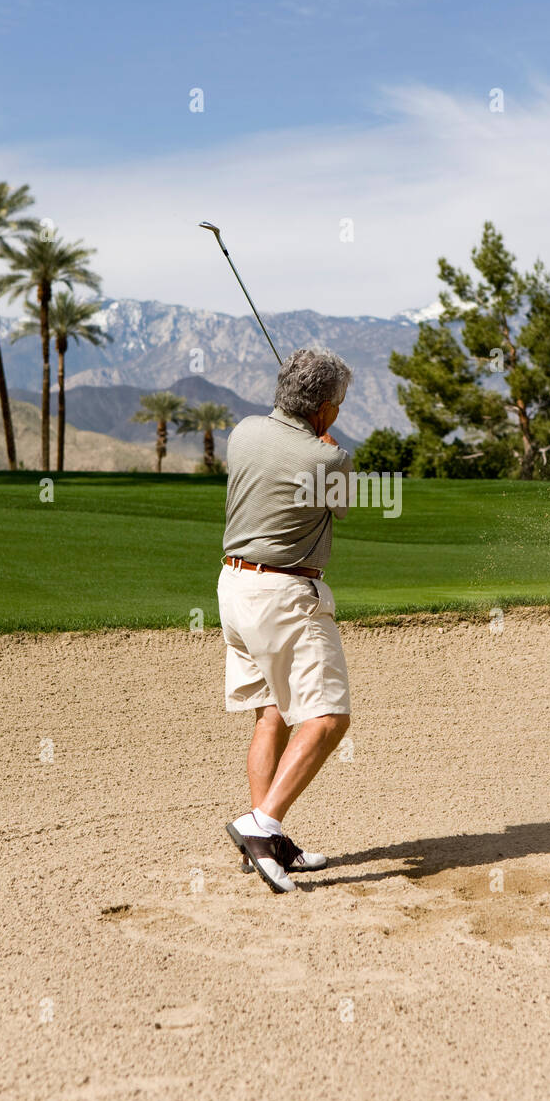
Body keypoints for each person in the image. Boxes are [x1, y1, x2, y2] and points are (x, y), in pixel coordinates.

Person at [219, 346, 353, 893]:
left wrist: (311, 436)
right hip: (285, 595)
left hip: (234, 587)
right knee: (327, 717)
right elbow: (340, 505)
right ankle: (261, 824)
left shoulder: (243, 431)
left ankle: (267, 846)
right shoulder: (331, 460)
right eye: (338, 403)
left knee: (272, 712)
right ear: (322, 408)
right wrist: (327, 446)